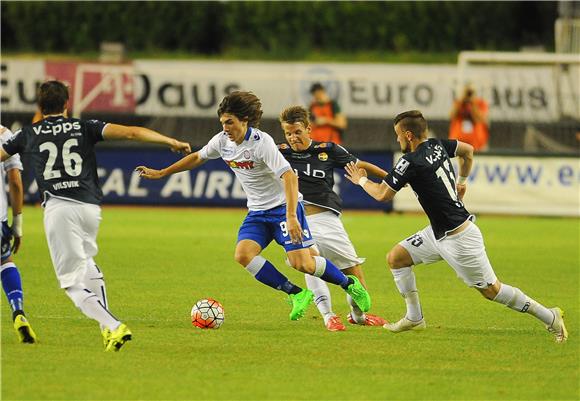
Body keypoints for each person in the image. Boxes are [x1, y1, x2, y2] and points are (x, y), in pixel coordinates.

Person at [136, 91, 371, 322]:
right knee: (243, 255)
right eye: (222, 122)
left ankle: (349, 284)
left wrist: (291, 217)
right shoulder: (221, 141)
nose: (225, 127)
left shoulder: (262, 143)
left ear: (244, 121)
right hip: (258, 212)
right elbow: (198, 157)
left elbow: (289, 176)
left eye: (230, 122)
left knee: (304, 264)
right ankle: (297, 293)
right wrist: (163, 173)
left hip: (282, 208)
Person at [0, 80, 192, 351]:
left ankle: (114, 325)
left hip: (59, 208)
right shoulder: (83, 126)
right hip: (90, 208)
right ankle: (107, 330)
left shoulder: (29, 133)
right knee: (87, 262)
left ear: (40, 107)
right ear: (67, 104)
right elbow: (132, 133)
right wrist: (169, 140)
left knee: (70, 283)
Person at [344, 110, 568, 343]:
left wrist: (360, 180)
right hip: (438, 233)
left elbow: (382, 195)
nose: (397, 140)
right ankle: (414, 317)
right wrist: (462, 182)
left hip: (459, 239)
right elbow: (468, 151)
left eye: (398, 135)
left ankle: (549, 316)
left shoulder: (410, 161)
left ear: (408, 135)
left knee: (492, 291)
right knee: (396, 258)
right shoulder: (438, 145)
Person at [277, 105, 387, 331]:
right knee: (310, 263)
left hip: (328, 219)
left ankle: (357, 316)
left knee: (354, 273)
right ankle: (328, 316)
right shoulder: (278, 152)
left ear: (308, 129)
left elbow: (359, 165)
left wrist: (391, 179)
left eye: (297, 132)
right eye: (288, 133)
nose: (292, 138)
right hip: (297, 221)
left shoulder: (327, 150)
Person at [0, 124, 37, 344]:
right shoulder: (4, 134)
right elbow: (14, 180)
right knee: (5, 263)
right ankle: (18, 311)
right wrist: (18, 223)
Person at [449, 85, 489, 151]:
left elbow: (481, 119)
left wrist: (473, 104)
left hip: (477, 144)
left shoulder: (480, 103)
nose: (468, 95)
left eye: (470, 93)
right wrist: (462, 100)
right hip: (458, 143)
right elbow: (452, 116)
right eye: (467, 93)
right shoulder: (459, 103)